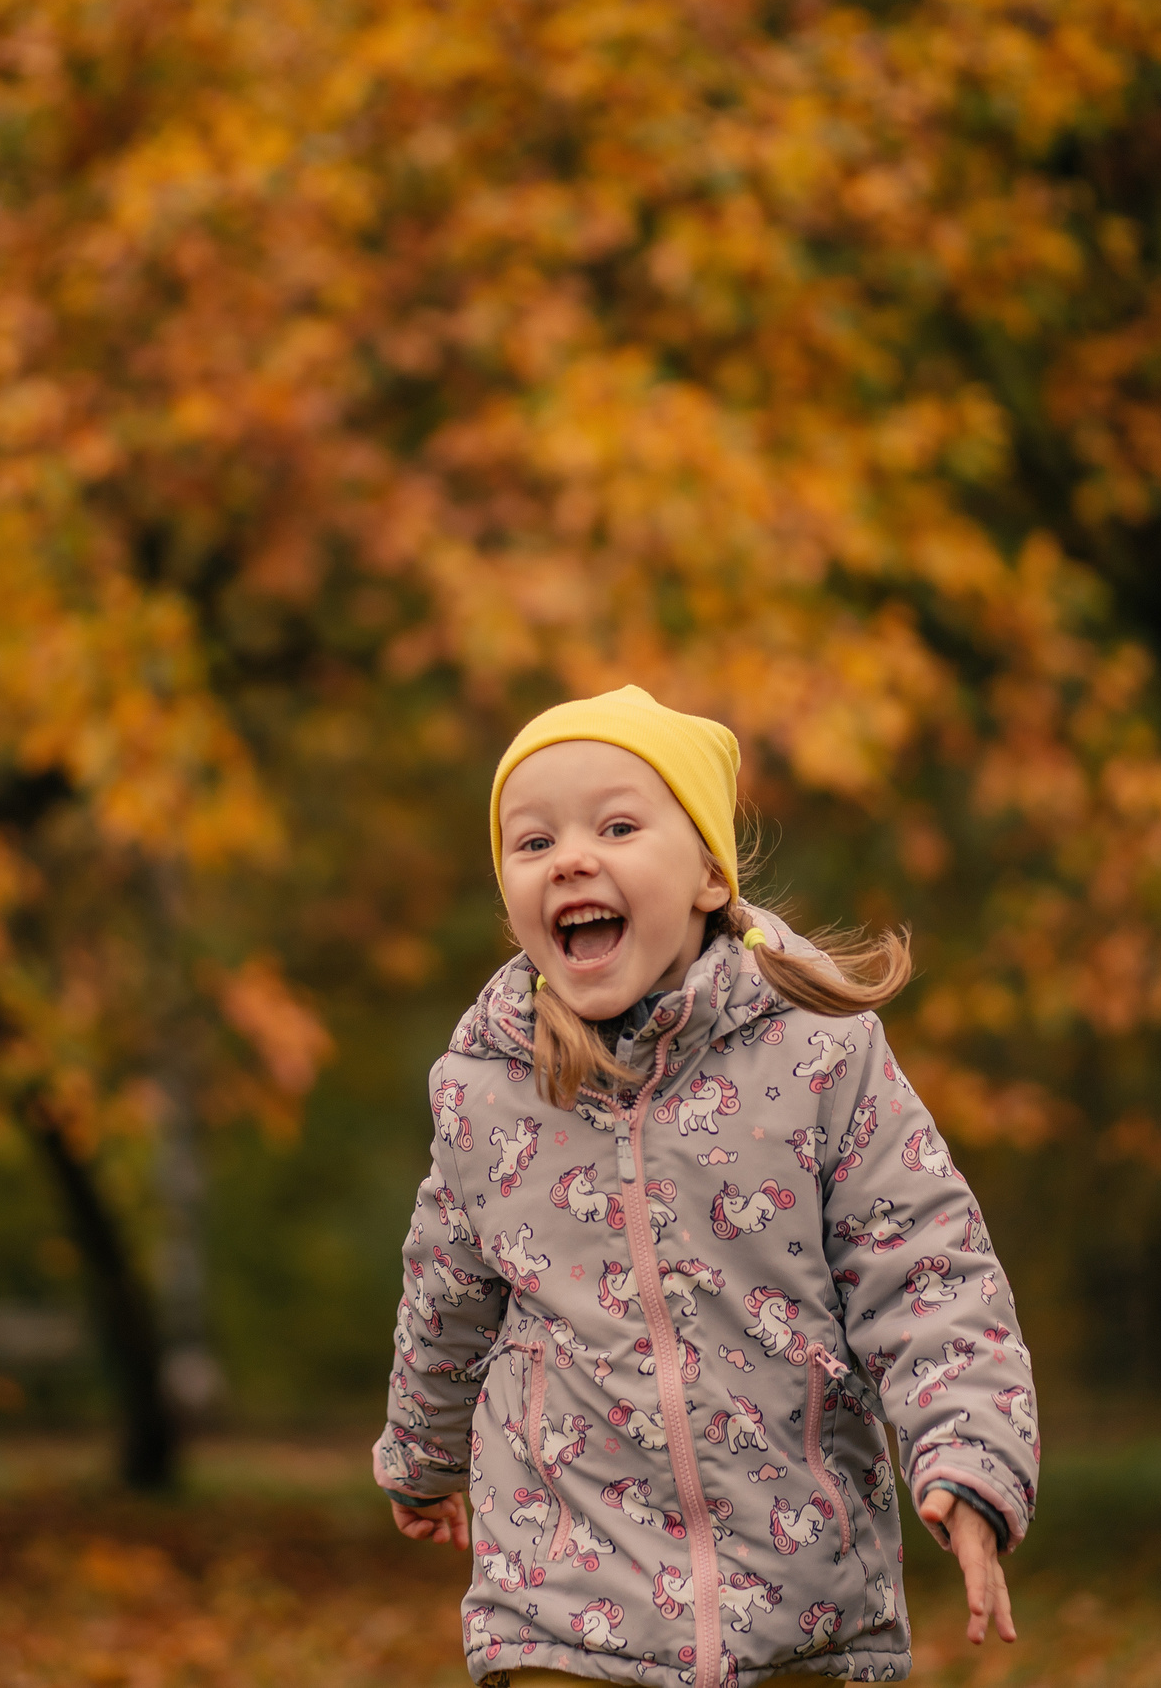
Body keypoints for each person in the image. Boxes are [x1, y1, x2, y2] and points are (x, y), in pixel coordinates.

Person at [372, 686, 1038, 1688]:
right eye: (532, 841)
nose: (571, 858)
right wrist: (419, 1461)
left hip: (801, 1612)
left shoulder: (820, 1061)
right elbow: (444, 1301)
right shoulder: (486, 1095)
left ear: (706, 876)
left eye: (618, 825)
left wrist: (970, 1459)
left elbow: (929, 1274)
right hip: (564, 1617)